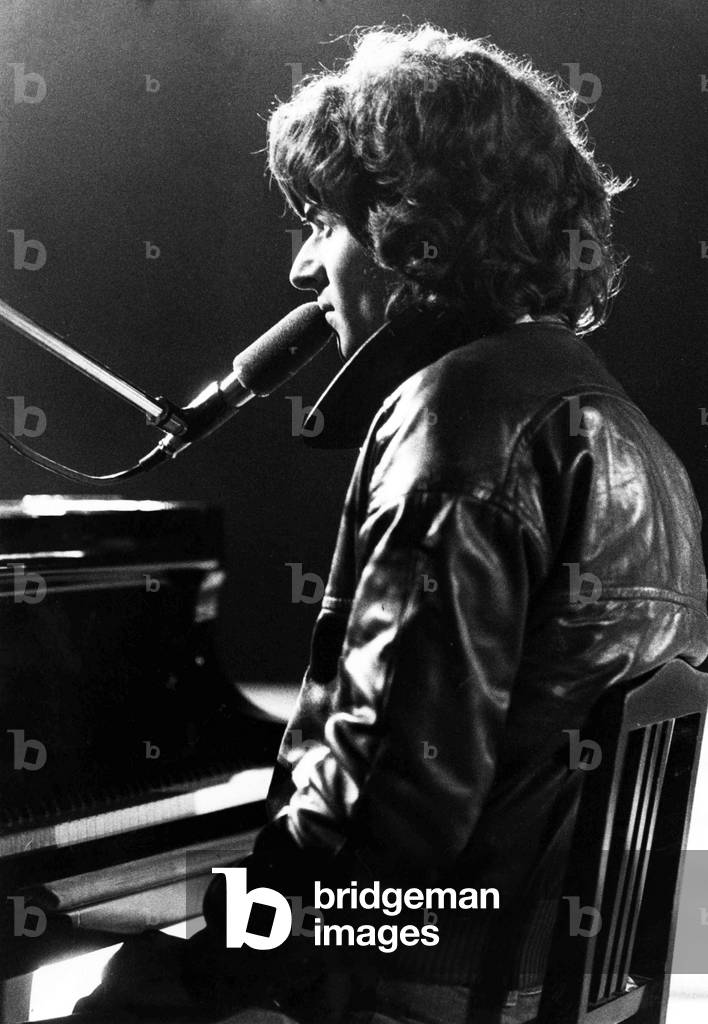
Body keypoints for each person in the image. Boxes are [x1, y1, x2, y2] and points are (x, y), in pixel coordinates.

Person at [74, 23, 708, 1024]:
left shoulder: (457, 419)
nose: (299, 270)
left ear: (415, 232)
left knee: (123, 993)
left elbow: (396, 806)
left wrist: (217, 964)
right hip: (550, 981)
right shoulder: (627, 434)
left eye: (322, 222)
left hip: (419, 981)